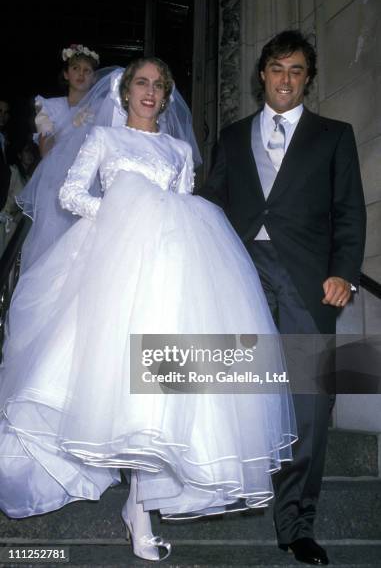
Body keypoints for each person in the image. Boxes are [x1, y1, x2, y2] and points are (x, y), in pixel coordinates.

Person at [0, 57, 297, 561]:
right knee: (108, 377)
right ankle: (132, 506)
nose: (151, 92)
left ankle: (140, 507)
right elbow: (72, 193)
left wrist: (157, 217)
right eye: (142, 83)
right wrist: (121, 211)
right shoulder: (104, 140)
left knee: (160, 386)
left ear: (166, 97)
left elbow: (178, 205)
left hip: (168, 274)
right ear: (125, 92)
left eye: (160, 86)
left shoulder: (180, 150)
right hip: (108, 268)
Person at [200, 30, 366, 566]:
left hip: (306, 280)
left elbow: (349, 211)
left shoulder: (334, 136)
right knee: (238, 393)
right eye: (276, 68)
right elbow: (211, 210)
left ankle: (296, 523)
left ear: (308, 78)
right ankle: (232, 493)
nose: (285, 79)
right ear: (262, 75)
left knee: (311, 406)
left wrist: (344, 272)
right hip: (242, 276)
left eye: (296, 70)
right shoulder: (230, 137)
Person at [16, 44, 117, 272]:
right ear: (66, 73)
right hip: (54, 187)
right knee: (50, 250)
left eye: (87, 71)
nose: (81, 74)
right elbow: (45, 150)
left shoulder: (101, 108)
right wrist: (71, 125)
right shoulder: (50, 107)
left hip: (89, 185)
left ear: (94, 77)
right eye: (75, 68)